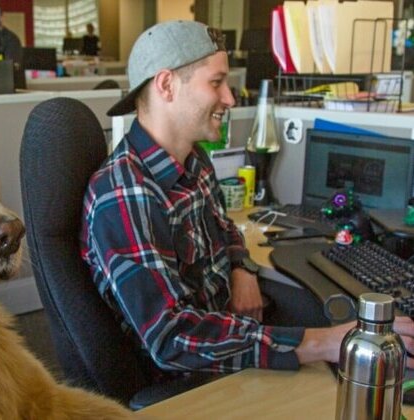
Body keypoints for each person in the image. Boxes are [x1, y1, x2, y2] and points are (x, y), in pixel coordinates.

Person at [80, 20, 414, 380]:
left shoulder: (193, 159)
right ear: (166, 85)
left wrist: (242, 269)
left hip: (234, 328)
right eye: (216, 82)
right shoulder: (125, 193)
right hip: (193, 372)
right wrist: (328, 343)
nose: (230, 98)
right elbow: (173, 338)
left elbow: (225, 228)